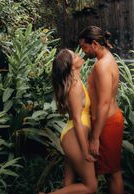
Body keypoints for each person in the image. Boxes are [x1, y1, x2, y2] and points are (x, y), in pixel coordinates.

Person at [39, 49, 97, 194]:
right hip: (75, 137)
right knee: (91, 187)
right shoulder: (75, 86)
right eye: (74, 56)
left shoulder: (75, 82)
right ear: (71, 66)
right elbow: (77, 120)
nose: (79, 55)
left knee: (68, 183)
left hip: (71, 136)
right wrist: (85, 151)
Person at [78, 26, 124, 194]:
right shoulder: (105, 60)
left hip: (108, 124)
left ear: (95, 43)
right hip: (106, 122)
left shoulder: (102, 66)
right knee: (111, 172)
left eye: (84, 47)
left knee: (112, 173)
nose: (83, 51)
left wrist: (95, 138)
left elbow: (104, 103)